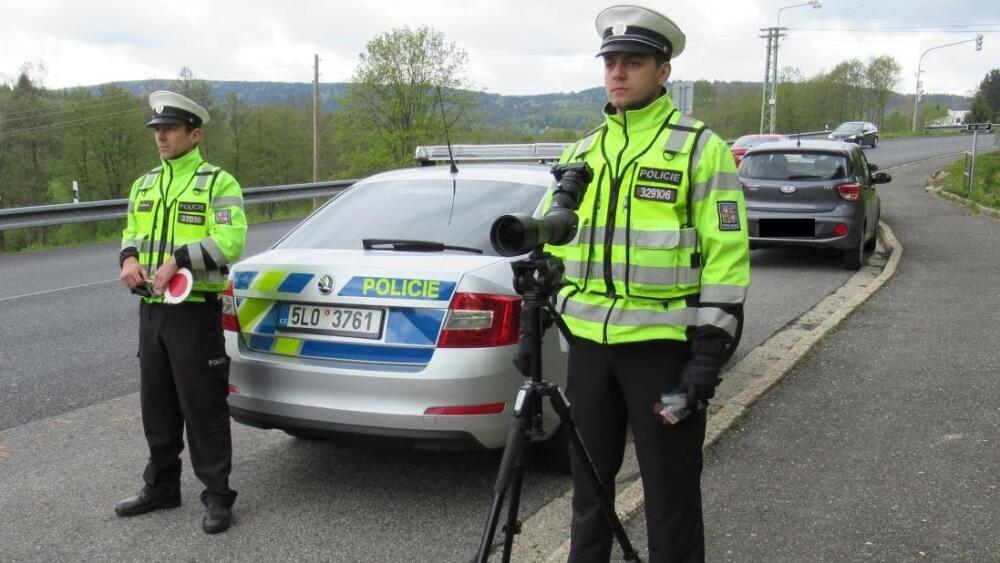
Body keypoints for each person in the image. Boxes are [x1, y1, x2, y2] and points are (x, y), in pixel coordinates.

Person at [543, 6, 750, 562]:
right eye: (610, 61)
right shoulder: (581, 153)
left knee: (670, 492)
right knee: (588, 493)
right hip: (589, 352)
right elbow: (550, 247)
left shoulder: (699, 148)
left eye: (632, 62)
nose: (618, 72)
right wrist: (539, 314)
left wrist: (708, 353)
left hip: (663, 354)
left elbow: (727, 257)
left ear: (663, 72)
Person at [116, 90, 248, 534]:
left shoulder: (218, 183)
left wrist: (179, 259)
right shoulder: (144, 184)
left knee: (202, 405)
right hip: (152, 311)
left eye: (170, 129)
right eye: (157, 129)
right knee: (157, 404)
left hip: (194, 312)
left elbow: (230, 242)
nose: (161, 137)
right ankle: (161, 487)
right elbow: (131, 231)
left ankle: (218, 495)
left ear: (195, 135)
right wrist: (128, 260)